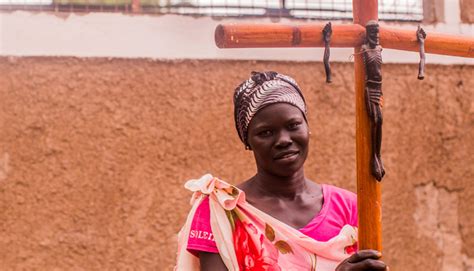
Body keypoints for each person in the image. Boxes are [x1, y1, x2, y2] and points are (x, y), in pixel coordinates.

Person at [176, 71, 388, 271]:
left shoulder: (352, 208)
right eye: (266, 132)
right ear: (247, 141)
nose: (284, 140)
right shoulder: (222, 211)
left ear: (307, 127)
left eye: (293, 125)